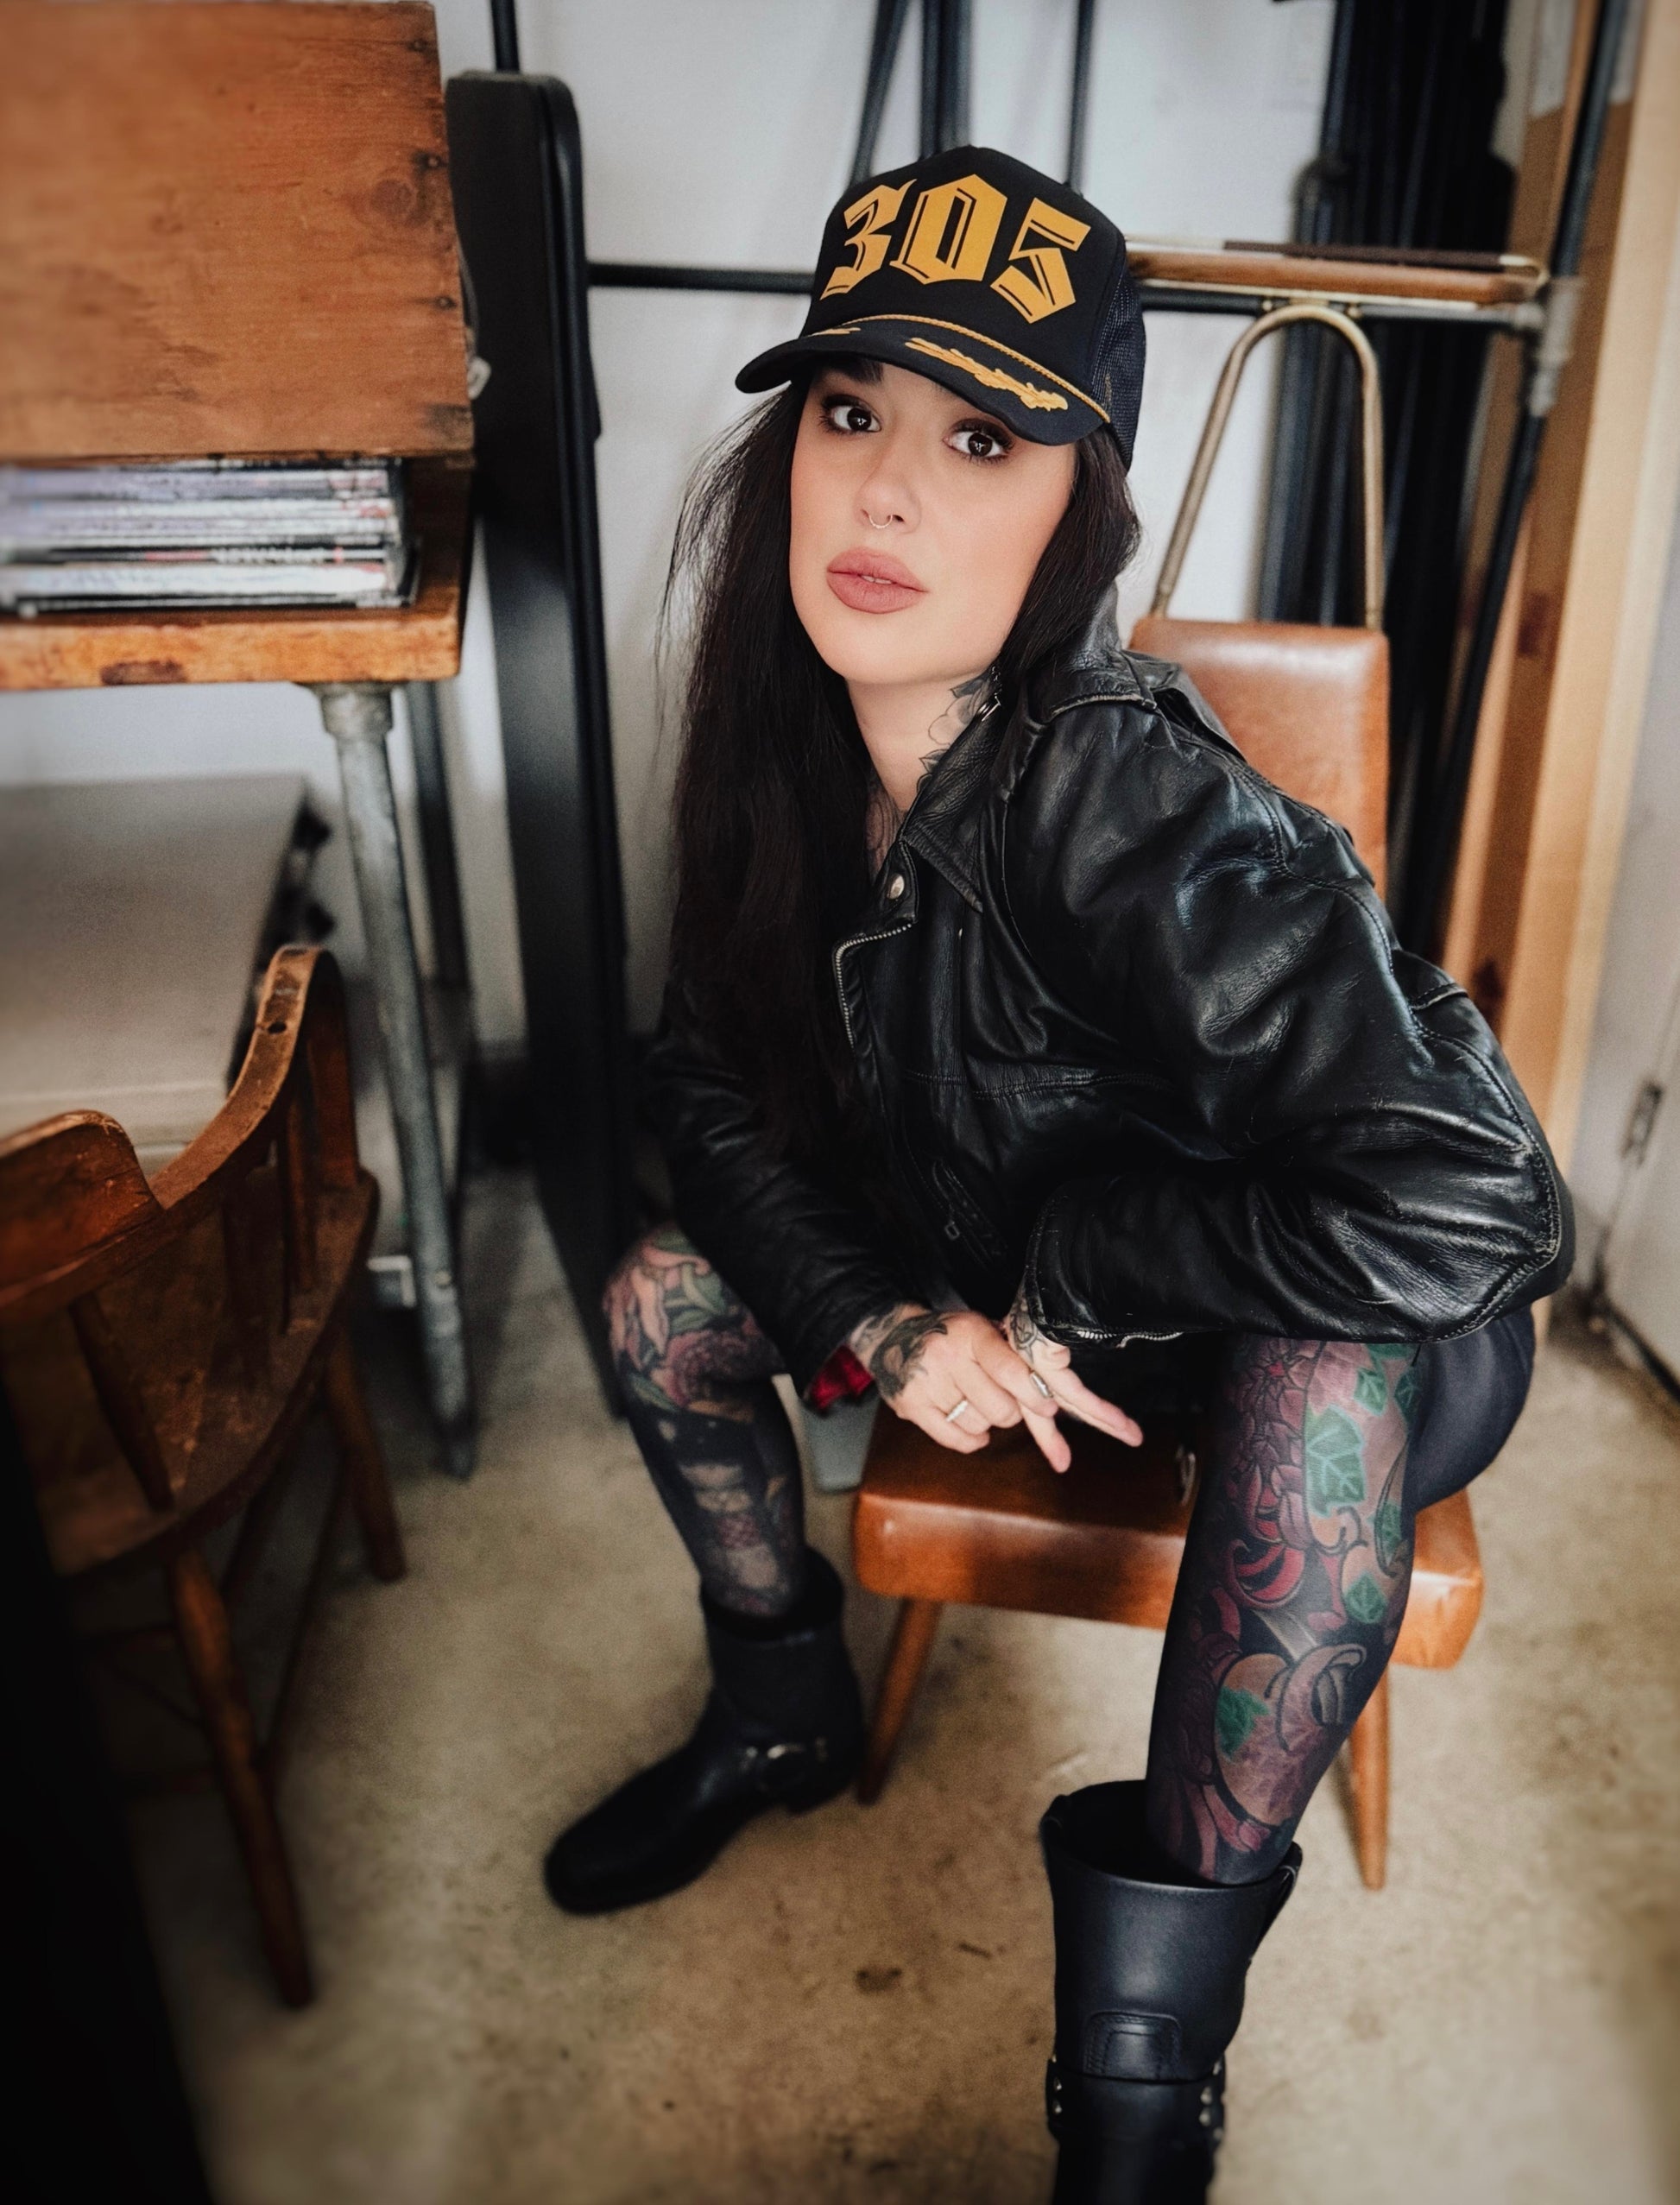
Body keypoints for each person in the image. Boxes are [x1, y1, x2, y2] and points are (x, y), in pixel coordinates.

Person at [543, 146, 1571, 2204]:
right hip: (990, 1266)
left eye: (979, 440)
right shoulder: (777, 730)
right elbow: (705, 1088)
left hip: (1282, 1302)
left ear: (1074, 509)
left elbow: (1480, 1196)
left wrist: (1081, 1263)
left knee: (1324, 1383)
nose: (884, 493)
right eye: (850, 410)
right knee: (660, 1294)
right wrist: (882, 1315)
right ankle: (778, 1705)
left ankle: (1141, 2080)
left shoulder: (1116, 783)